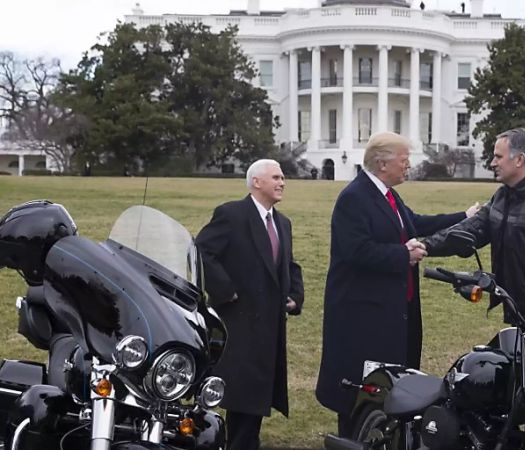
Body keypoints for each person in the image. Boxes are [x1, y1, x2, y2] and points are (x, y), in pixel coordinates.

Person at [422, 128, 525, 449]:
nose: (492, 162)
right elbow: (472, 229)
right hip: (517, 310)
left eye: (498, 156)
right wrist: (425, 245)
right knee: (521, 387)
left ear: (520, 159)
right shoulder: (504, 195)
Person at [315, 131, 479, 437]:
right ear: (382, 163)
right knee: (360, 392)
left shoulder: (387, 195)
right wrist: (402, 254)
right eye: (404, 160)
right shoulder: (354, 198)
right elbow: (355, 251)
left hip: (390, 312)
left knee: (390, 386)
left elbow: (414, 223)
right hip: (362, 316)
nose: (409, 166)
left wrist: (464, 218)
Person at [195, 159, 304, 450]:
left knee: (256, 398)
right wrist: (226, 291)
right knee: (242, 397)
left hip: (270, 327)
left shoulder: (283, 222)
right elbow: (202, 251)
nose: (282, 182)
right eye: (276, 177)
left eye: (283, 178)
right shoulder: (231, 214)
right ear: (256, 182)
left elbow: (288, 265)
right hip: (240, 325)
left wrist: (295, 295)